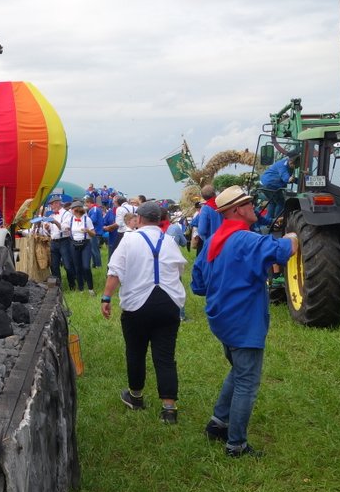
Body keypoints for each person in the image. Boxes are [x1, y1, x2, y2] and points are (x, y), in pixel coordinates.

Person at [191, 186, 298, 458]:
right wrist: (294, 235)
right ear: (237, 210)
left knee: (238, 371)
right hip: (244, 322)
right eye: (248, 202)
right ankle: (236, 445)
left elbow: (198, 285)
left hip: (222, 320)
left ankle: (218, 423)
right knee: (247, 382)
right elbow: (284, 249)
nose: (253, 206)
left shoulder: (214, 241)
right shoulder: (246, 239)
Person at [100, 201, 188, 424]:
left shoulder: (129, 239)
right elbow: (179, 269)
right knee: (165, 356)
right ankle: (169, 408)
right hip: (168, 303)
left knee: (135, 351)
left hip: (137, 305)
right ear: (159, 220)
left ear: (138, 219)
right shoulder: (169, 241)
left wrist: (106, 297)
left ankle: (136, 397)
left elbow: (115, 271)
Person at [259, 153, 298, 226]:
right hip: (270, 185)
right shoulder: (282, 165)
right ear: (291, 162)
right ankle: (277, 222)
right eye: (295, 165)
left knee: (272, 203)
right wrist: (290, 179)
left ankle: (268, 222)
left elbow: (291, 178)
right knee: (281, 203)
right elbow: (286, 178)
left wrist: (299, 181)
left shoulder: (286, 164)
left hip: (264, 184)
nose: (295, 167)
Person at [68, 200, 96, 292]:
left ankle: (90, 288)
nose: (71, 210)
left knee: (86, 267)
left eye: (72, 209)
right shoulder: (70, 219)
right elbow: (65, 229)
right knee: (77, 267)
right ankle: (81, 288)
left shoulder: (87, 219)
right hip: (74, 244)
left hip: (85, 244)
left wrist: (87, 231)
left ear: (76, 209)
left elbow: (93, 234)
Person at [46, 198, 73, 288]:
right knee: (54, 266)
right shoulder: (52, 215)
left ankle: (72, 285)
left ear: (57, 203)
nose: (51, 207)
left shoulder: (67, 214)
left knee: (67, 265)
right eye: (50, 205)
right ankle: (58, 287)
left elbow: (66, 228)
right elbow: (51, 231)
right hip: (54, 242)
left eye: (52, 205)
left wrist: (55, 222)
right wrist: (47, 228)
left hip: (64, 241)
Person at [191, 185, 220, 250]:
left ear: (203, 197)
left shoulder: (205, 209)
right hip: (225, 242)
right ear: (214, 193)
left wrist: (205, 240)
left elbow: (201, 230)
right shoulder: (223, 205)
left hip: (211, 244)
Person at [85, 195, 106, 268]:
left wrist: (86, 222)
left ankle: (98, 265)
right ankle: (95, 264)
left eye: (86, 204)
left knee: (95, 249)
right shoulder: (95, 209)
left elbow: (93, 220)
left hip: (96, 232)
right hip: (95, 231)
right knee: (93, 249)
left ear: (89, 202)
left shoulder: (94, 209)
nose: (86, 205)